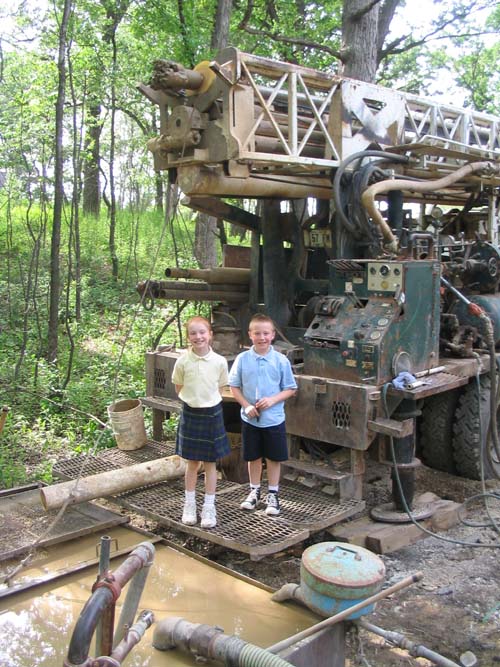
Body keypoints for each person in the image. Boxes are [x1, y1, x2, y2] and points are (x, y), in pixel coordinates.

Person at [229, 313, 297, 516]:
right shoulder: (242, 359)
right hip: (250, 419)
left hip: (273, 419)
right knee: (253, 457)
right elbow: (234, 386)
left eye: (266, 333)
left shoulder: (281, 360)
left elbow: (290, 388)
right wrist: (246, 405)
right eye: (257, 333)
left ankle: (273, 495)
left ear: (273, 335)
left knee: (274, 458)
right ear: (250, 335)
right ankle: (254, 491)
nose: (262, 337)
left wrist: (273, 400)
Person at [172, 315, 231, 529]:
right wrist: (194, 401)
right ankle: (189, 504)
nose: (198, 337)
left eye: (202, 332)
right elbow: (178, 387)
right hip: (191, 413)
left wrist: (207, 402)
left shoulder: (219, 362)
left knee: (210, 464)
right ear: (188, 337)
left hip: (212, 413)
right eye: (193, 333)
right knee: (192, 463)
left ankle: (209, 507)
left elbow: (222, 387)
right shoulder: (183, 361)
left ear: (210, 335)